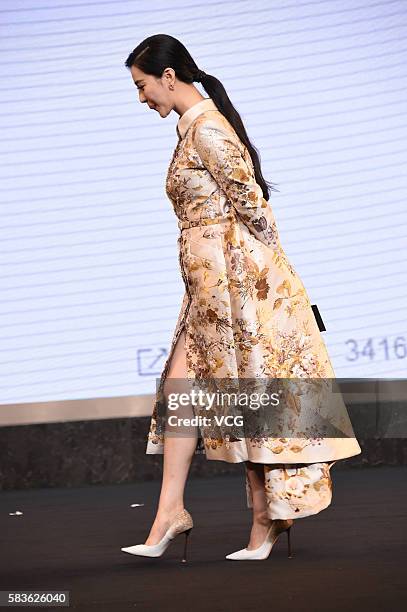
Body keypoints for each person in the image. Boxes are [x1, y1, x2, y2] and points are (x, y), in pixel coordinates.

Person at [120, 34, 362, 563]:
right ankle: (170, 513)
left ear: (168, 77)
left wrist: (275, 285)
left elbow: (254, 206)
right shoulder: (190, 130)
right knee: (182, 390)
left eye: (142, 87)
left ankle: (262, 520)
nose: (142, 99)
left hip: (238, 286)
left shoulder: (207, 128)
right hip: (207, 288)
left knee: (247, 394)